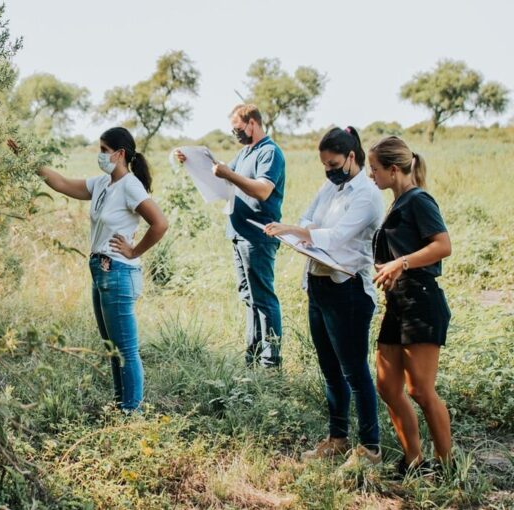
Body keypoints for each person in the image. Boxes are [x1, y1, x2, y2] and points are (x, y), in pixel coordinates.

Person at [8, 127, 168, 412]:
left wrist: (134, 250)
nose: (100, 155)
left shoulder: (131, 186)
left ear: (120, 154)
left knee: (126, 351)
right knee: (112, 348)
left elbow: (160, 224)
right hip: (101, 270)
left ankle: (131, 413)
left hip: (119, 270)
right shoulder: (102, 184)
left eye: (104, 150)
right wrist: (26, 157)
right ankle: (122, 406)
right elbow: (59, 183)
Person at [264, 127, 383, 469]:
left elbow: (338, 235)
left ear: (351, 157)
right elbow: (309, 218)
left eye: (333, 164)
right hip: (319, 284)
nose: (328, 170)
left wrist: (294, 231)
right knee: (330, 369)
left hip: (347, 289)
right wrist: (301, 230)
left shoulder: (367, 194)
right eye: (324, 165)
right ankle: (337, 439)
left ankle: (370, 448)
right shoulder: (331, 187)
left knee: (354, 371)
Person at [368, 136, 453, 475]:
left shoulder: (419, 200)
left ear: (393, 169)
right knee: (387, 386)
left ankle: (447, 466)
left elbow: (443, 245)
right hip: (397, 302)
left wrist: (401, 263)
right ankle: (413, 460)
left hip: (421, 301)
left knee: (420, 389)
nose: (370, 176)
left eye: (374, 169)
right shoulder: (398, 201)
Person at [176, 104, 285, 367]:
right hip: (238, 233)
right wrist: (193, 161)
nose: (235, 133)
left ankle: (271, 362)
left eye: (237, 127)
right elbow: (225, 181)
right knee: (248, 296)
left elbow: (262, 190)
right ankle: (253, 354)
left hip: (258, 234)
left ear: (252, 123)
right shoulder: (245, 152)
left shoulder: (269, 152)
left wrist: (228, 172)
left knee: (263, 297)